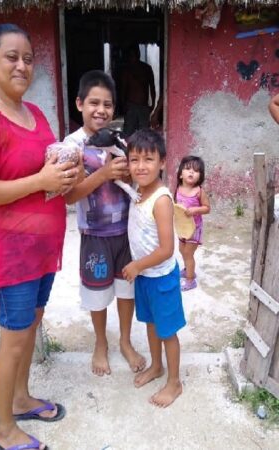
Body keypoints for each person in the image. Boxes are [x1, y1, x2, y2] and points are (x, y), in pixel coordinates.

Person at [0, 24, 78, 450]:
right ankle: (4, 430)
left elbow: (48, 176)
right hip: (12, 253)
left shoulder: (38, 115)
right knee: (12, 339)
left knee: (31, 327)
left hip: (43, 249)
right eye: (11, 56)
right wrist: (41, 179)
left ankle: (22, 397)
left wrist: (69, 175)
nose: (22, 65)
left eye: (28, 58)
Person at [64, 70, 147, 377]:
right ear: (79, 104)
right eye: (94, 103)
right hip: (94, 234)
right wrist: (104, 174)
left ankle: (125, 341)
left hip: (126, 232)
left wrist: (129, 174)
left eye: (108, 105)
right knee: (97, 294)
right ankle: (101, 343)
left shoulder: (119, 140)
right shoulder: (71, 146)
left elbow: (135, 182)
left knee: (127, 291)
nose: (101, 110)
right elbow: (69, 196)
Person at [122, 129, 185, 408]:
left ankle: (174, 382)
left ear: (162, 163)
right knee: (150, 323)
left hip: (160, 278)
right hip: (146, 277)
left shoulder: (160, 199)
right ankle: (156, 366)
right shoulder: (139, 191)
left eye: (148, 159)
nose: (140, 166)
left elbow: (166, 249)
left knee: (167, 331)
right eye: (134, 160)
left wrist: (137, 265)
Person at [174, 155, 210, 291]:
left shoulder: (199, 192)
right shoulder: (178, 188)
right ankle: (187, 269)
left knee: (188, 253)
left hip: (194, 229)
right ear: (181, 174)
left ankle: (190, 279)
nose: (191, 172)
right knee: (181, 250)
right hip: (182, 227)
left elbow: (207, 208)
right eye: (188, 169)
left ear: (200, 176)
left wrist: (195, 209)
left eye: (195, 171)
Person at [120, 45, 156, 137]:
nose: (133, 56)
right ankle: (128, 150)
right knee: (128, 133)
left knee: (144, 135)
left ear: (139, 54)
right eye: (131, 54)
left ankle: (142, 151)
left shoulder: (146, 68)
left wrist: (153, 105)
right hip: (131, 106)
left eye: (135, 54)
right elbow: (123, 89)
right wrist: (124, 105)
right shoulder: (127, 70)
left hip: (143, 106)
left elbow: (152, 87)